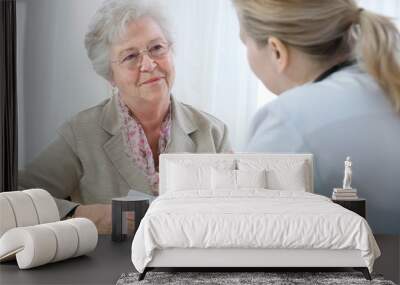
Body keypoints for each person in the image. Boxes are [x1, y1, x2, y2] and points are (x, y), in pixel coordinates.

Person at [19, 0, 231, 234]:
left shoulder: (213, 132)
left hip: (193, 266)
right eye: (131, 56)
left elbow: (239, 209)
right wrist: (95, 217)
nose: (149, 64)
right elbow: (18, 198)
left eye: (157, 48)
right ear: (110, 76)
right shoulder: (81, 133)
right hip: (108, 268)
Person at [232, 0, 400, 233]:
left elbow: (241, 235)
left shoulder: (286, 122)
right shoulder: (389, 84)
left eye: (245, 42)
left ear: (276, 51)